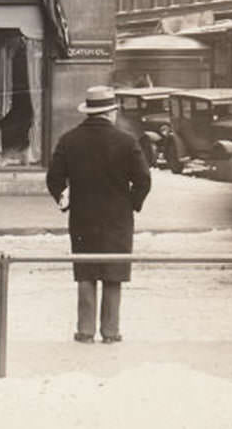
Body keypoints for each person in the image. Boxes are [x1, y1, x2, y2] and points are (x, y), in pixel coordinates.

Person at [46, 85, 152, 344]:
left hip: (83, 217)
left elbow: (54, 179)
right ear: (110, 112)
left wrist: (64, 202)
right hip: (118, 219)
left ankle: (85, 331)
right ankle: (111, 331)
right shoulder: (127, 142)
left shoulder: (69, 140)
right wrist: (132, 203)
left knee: (86, 273)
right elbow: (144, 180)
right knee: (113, 274)